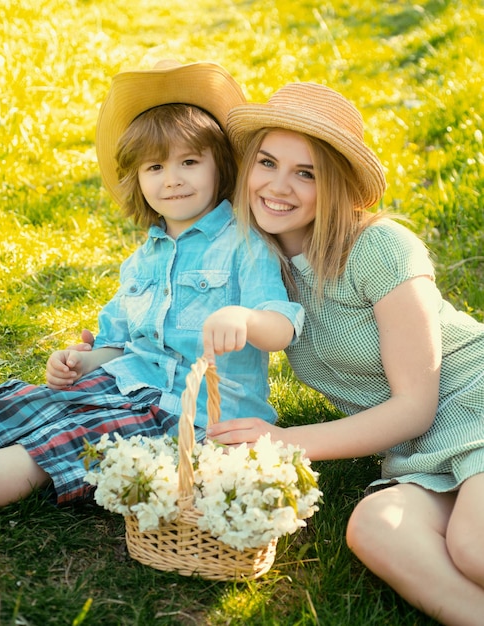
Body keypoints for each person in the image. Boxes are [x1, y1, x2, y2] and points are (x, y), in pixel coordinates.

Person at [203, 82, 484, 625]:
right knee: (375, 526)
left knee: (474, 548)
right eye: (267, 162)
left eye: (306, 173)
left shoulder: (378, 248)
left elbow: (414, 406)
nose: (278, 186)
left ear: (334, 185)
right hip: (422, 451)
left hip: (474, 400)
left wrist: (286, 442)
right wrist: (103, 350)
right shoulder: (256, 267)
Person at [0, 61, 304, 510]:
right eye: (154, 167)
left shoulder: (245, 244)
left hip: (188, 416)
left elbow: (283, 324)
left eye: (190, 162)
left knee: (54, 445)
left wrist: (247, 319)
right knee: (19, 405)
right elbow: (119, 345)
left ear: (222, 169)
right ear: (137, 178)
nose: (172, 178)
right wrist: (81, 363)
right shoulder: (143, 259)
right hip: (125, 386)